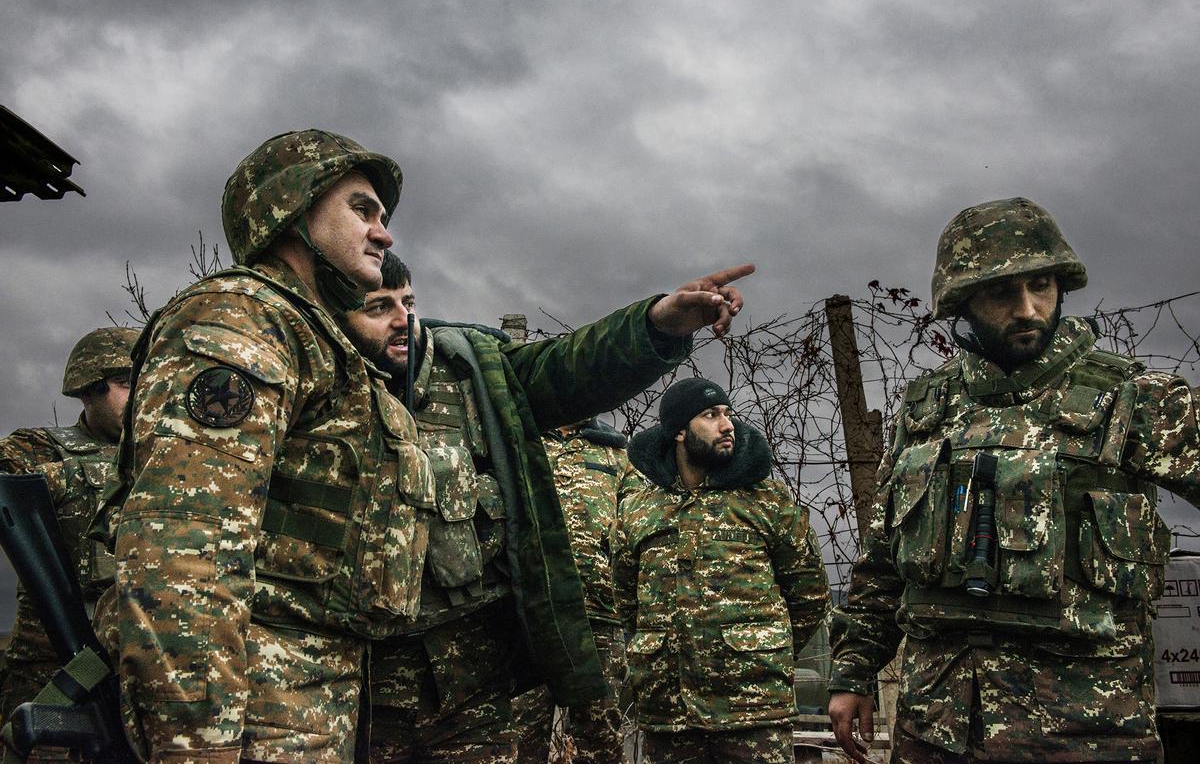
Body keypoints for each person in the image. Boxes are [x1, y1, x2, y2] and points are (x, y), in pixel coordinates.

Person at [99, 125, 754, 764]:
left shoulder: (402, 362)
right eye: (361, 209)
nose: (383, 231)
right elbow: (185, 552)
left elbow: (560, 370)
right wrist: (195, 741)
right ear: (289, 210)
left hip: (372, 694)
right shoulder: (243, 321)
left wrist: (657, 325)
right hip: (275, 701)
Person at [827, 197, 1200, 764]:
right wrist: (853, 670)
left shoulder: (1135, 398)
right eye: (1002, 293)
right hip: (936, 725)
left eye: (1042, 286)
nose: (1028, 309)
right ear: (962, 302)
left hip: (1084, 731)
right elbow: (882, 555)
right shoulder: (926, 409)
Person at [340, 252, 752, 763]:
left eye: (409, 303)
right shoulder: (318, 388)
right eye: (379, 307)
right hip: (352, 687)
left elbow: (568, 367)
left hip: (472, 686)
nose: (404, 320)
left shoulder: (471, 372)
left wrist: (658, 324)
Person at [613, 377, 830, 764]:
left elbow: (810, 595)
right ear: (680, 431)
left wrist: (758, 648)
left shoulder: (767, 500)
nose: (727, 425)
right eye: (711, 415)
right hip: (670, 713)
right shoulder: (638, 509)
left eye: (728, 414)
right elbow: (626, 599)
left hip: (753, 709)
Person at [0, 326, 137, 742]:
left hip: (145, 676)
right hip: (57, 680)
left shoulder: (175, 459)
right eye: (127, 384)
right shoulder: (38, 450)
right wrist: (67, 478)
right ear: (87, 389)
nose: (141, 396)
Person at [511, 417, 636, 764]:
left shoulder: (617, 454)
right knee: (518, 734)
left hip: (596, 615)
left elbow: (635, 527)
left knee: (601, 735)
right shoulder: (521, 439)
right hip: (528, 614)